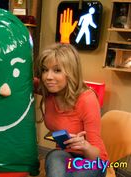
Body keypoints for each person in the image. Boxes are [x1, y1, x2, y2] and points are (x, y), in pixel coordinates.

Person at [34, 43, 108, 177]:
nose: (48, 77)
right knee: (55, 161)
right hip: (65, 155)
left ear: (71, 72)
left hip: (92, 160)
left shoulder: (87, 99)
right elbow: (21, 79)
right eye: (45, 70)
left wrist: (84, 145)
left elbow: (96, 154)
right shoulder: (49, 89)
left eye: (57, 70)